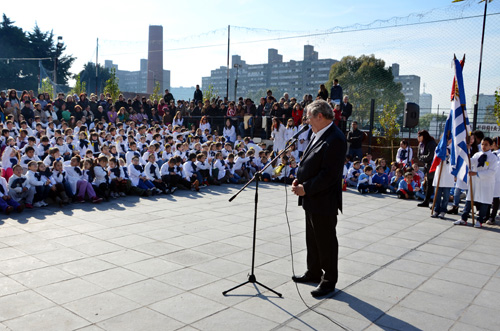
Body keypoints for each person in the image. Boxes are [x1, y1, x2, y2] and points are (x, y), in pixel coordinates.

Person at [291, 99, 346, 298]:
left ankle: (329, 280)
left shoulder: (335, 139)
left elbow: (329, 175)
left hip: (324, 199)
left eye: (308, 116)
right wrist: (300, 178)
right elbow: (311, 162)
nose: (306, 120)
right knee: (312, 238)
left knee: (326, 241)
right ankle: (313, 271)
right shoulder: (317, 133)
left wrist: (306, 188)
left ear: (320, 116)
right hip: (311, 198)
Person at [454, 137, 497, 228]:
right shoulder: (477, 155)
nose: (483, 146)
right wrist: (467, 152)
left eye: (486, 145)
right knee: (469, 200)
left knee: (484, 202)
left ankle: (480, 220)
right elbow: (470, 162)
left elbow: (491, 172)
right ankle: (463, 218)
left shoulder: (493, 157)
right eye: (482, 144)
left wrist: (477, 173)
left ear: (490, 146)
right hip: (475, 182)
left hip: (486, 183)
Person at [416, 130, 437, 207]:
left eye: (419, 136)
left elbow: (430, 155)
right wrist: (423, 159)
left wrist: (423, 158)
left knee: (431, 184)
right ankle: (426, 200)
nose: (418, 138)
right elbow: (418, 156)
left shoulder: (431, 143)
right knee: (428, 184)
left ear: (423, 136)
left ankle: (433, 201)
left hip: (432, 166)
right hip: (426, 165)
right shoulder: (420, 144)